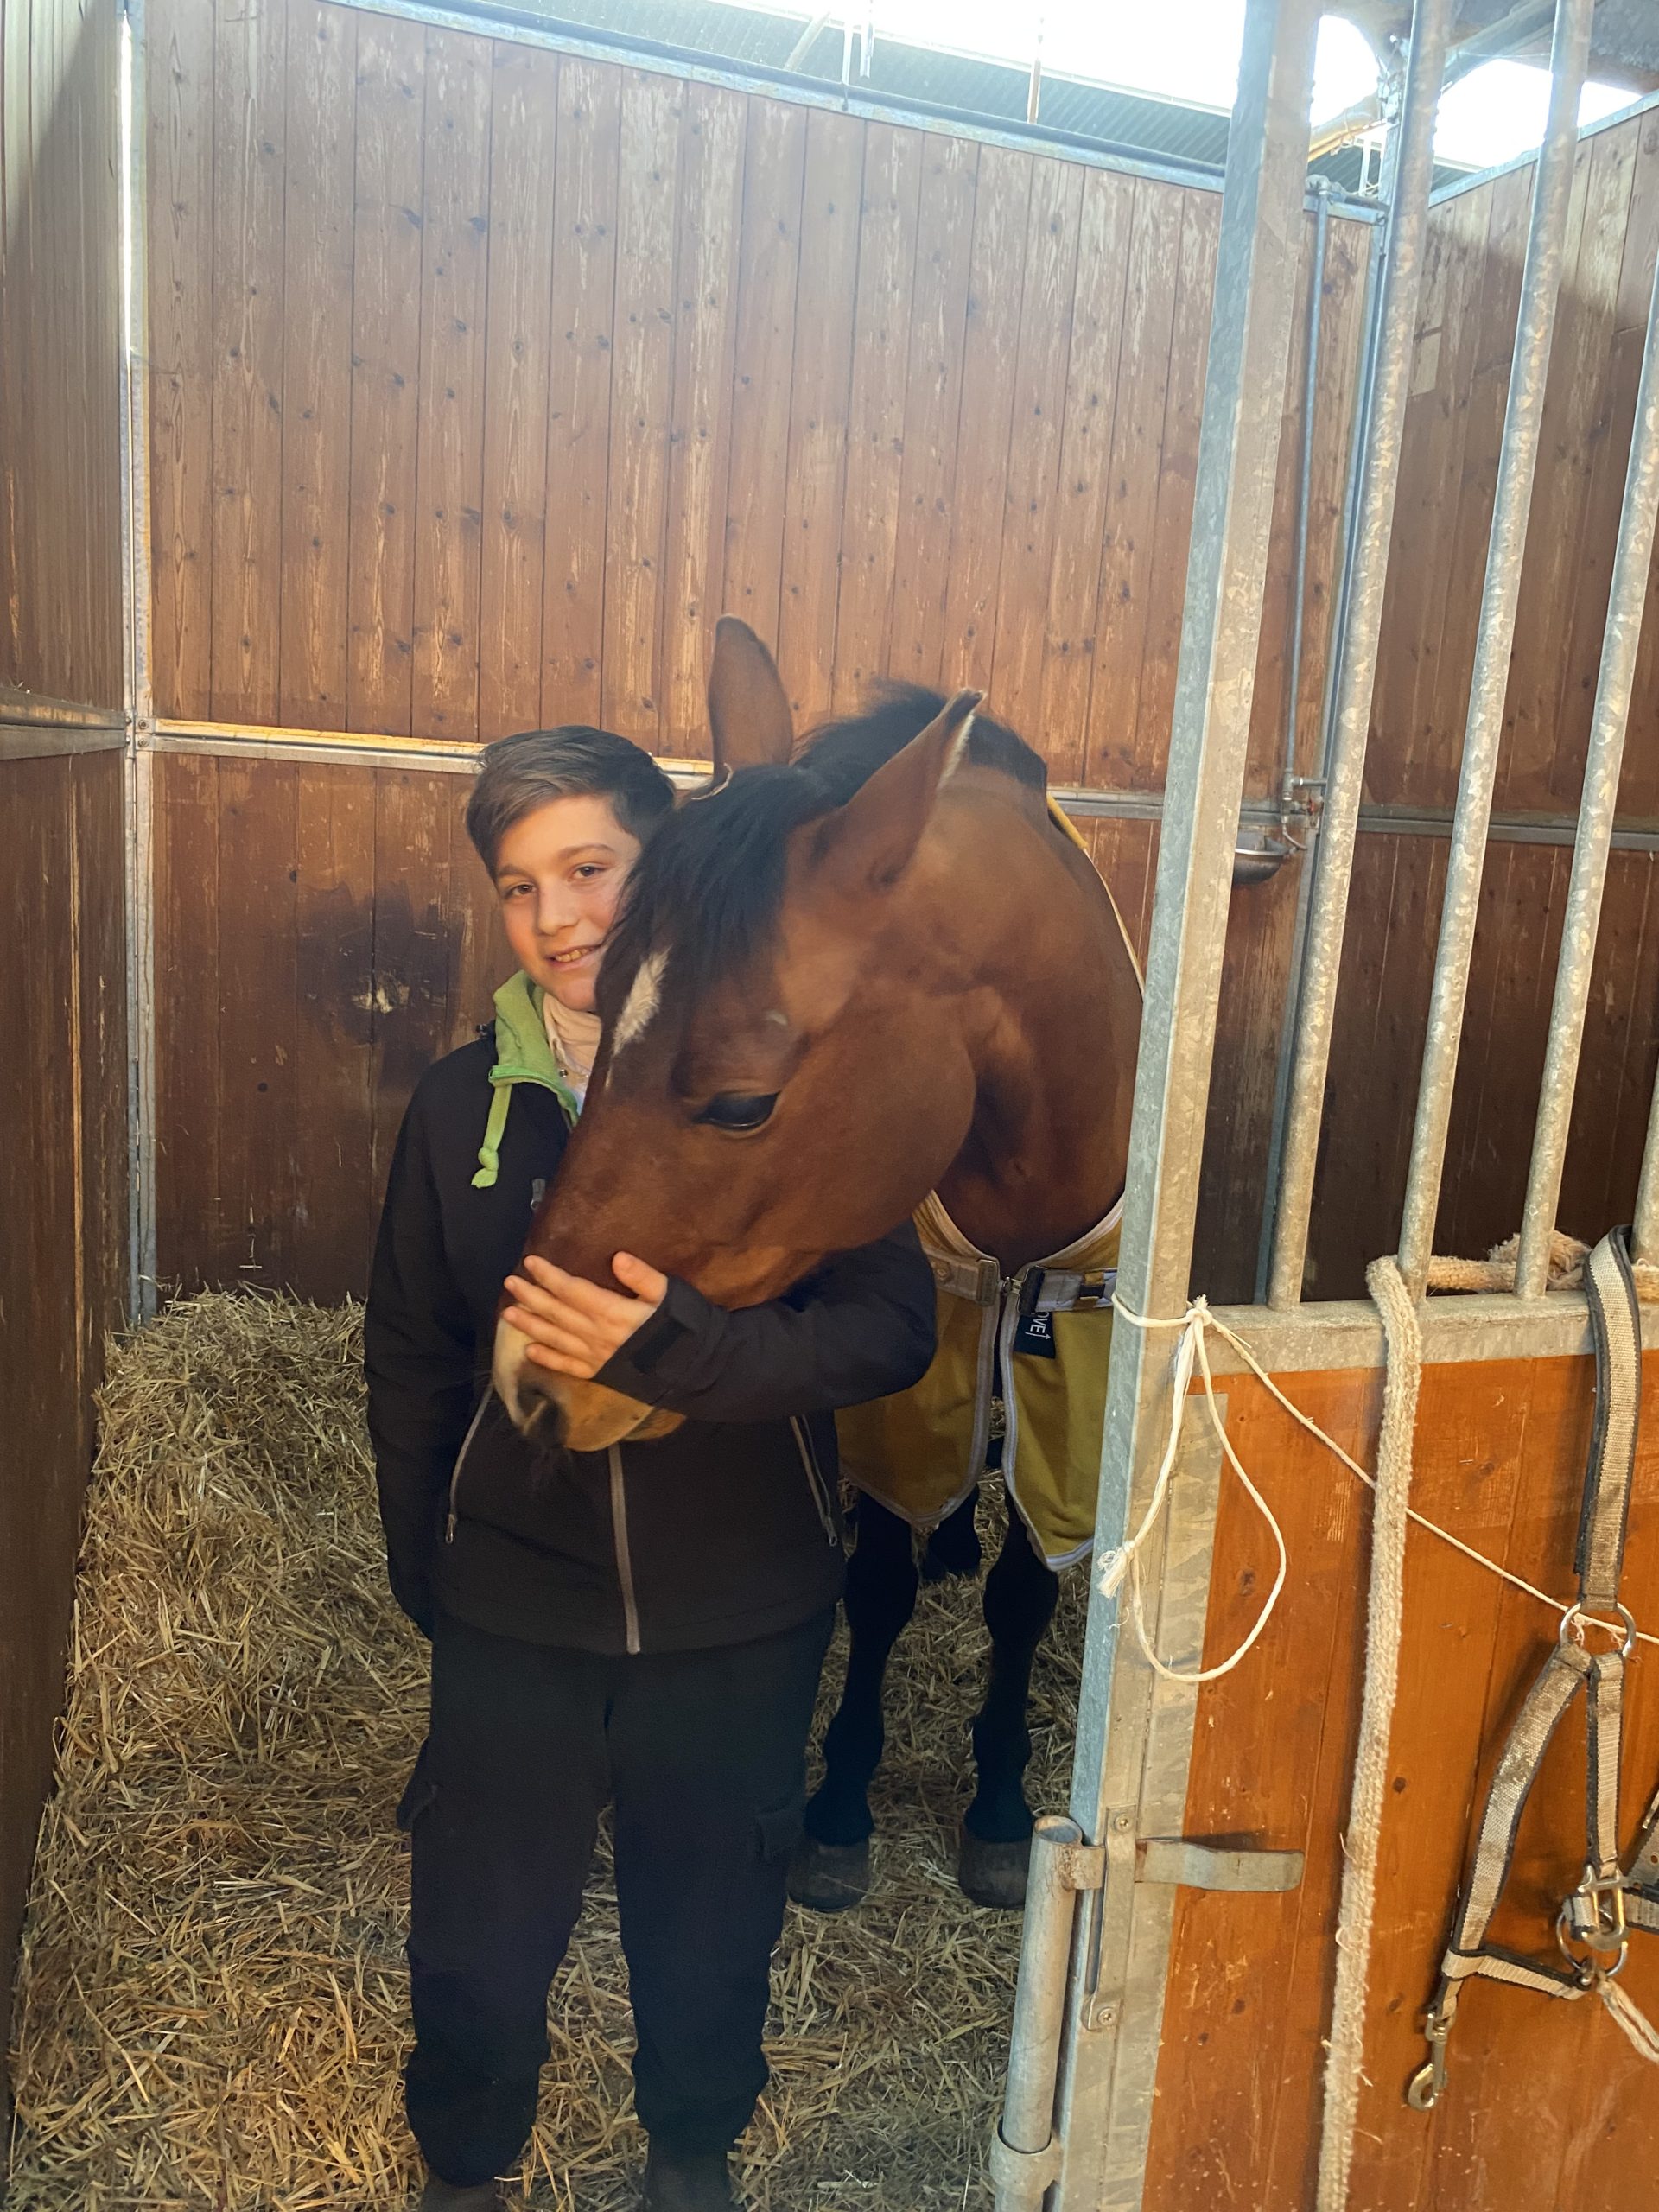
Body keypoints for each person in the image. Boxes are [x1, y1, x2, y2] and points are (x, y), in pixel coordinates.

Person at [364, 727, 937, 2212]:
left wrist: (684, 1354)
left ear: (667, 864)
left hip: (739, 1608)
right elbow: (413, 1353)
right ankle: (466, 2166)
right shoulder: (458, 1108)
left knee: (710, 1924)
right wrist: (429, 1559)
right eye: (519, 887)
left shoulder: (784, 1081)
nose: (557, 917)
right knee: (479, 1932)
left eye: (590, 869)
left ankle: (690, 2154)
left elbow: (890, 1329)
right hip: (515, 1606)